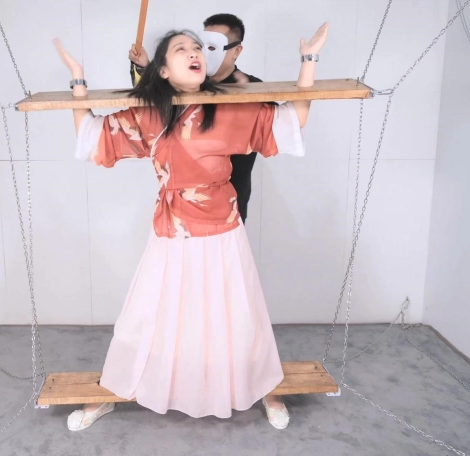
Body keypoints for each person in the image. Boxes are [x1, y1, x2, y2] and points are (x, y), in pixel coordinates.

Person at [53, 22, 328, 431]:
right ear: (163, 70)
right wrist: (77, 79)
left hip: (223, 227)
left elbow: (292, 119)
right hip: (172, 227)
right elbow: (93, 135)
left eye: (197, 47)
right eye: (181, 49)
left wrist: (309, 60)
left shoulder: (229, 109)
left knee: (236, 314)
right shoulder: (150, 115)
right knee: (150, 313)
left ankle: (263, 387)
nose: (194, 52)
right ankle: (119, 388)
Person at [130, 14, 263, 224]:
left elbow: (280, 125)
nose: (199, 54)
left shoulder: (254, 88)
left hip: (230, 200)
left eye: (212, 47)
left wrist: (248, 100)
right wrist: (145, 68)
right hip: (183, 203)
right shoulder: (189, 82)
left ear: (236, 51)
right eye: (201, 46)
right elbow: (155, 103)